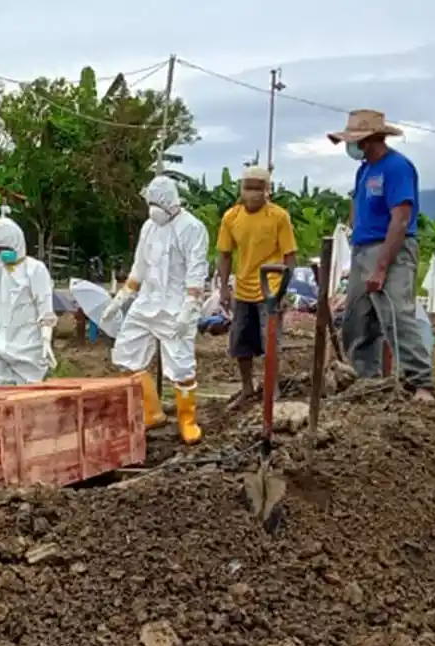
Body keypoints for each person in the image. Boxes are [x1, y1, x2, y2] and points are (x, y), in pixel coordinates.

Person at [327, 109, 434, 401]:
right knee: (357, 320)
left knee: (396, 316)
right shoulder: (365, 169)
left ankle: (420, 383)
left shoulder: (397, 168)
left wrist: (382, 267)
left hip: (391, 249)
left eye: (355, 141)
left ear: (369, 140)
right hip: (363, 250)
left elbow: (399, 220)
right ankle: (368, 381)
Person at [102, 176, 209, 445]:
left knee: (181, 366)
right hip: (147, 303)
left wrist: (189, 309)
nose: (153, 208)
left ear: (171, 202)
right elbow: (139, 268)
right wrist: (120, 299)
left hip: (177, 307)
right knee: (127, 355)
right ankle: (152, 412)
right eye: (150, 203)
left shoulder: (193, 228)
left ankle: (187, 420)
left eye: (157, 203)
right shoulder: (148, 228)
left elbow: (196, 274)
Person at [216, 166, 297, 405]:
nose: (252, 194)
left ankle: (272, 390)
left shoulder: (279, 217)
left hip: (270, 289)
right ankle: (247, 388)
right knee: (240, 342)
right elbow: (224, 254)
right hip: (243, 289)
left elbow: (289, 257)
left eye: (257, 188)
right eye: (247, 187)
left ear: (267, 191)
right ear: (240, 189)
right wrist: (223, 287)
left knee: (270, 341)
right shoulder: (231, 218)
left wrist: (283, 290)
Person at [0, 207, 57, 386]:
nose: (2, 253)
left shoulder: (35, 270)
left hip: (28, 346)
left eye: (6, 248)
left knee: (27, 397)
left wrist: (46, 341)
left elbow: (45, 311)